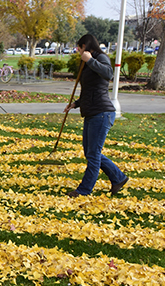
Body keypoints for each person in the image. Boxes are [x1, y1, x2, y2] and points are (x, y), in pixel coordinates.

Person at [64, 34, 128, 198]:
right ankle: (118, 178)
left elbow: (109, 74)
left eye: (79, 48)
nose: (78, 51)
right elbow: (90, 90)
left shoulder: (100, 57)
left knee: (93, 154)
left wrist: (90, 60)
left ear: (86, 45)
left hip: (102, 113)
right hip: (92, 112)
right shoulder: (87, 62)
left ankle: (84, 190)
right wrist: (76, 104)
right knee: (91, 153)